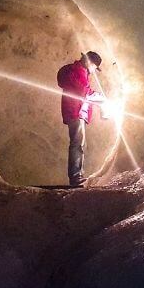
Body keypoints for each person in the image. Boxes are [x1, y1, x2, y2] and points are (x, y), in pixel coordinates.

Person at [57, 51, 105, 187]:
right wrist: (101, 98)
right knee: (77, 144)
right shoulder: (79, 71)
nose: (94, 70)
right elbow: (84, 92)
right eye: (95, 67)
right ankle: (76, 177)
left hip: (75, 111)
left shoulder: (78, 70)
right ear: (90, 62)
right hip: (76, 111)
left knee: (78, 143)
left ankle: (77, 176)